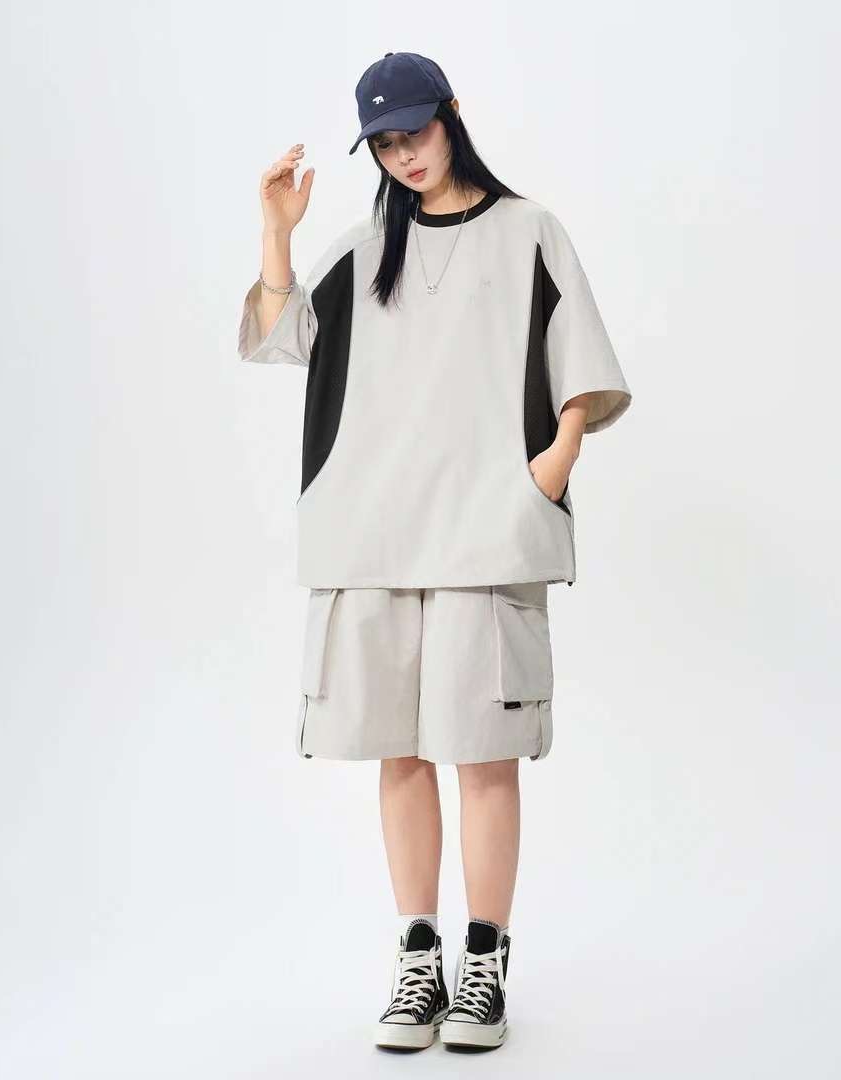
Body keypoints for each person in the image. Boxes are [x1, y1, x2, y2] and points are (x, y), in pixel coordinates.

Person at [237, 52, 633, 1052]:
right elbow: (283, 342)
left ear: (452, 114)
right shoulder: (364, 250)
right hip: (373, 539)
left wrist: (554, 460)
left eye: (415, 131)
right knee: (401, 752)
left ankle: (484, 963)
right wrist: (277, 234)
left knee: (485, 755)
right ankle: (419, 960)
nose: (403, 155)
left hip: (487, 533)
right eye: (384, 143)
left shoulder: (529, 230)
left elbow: (580, 358)